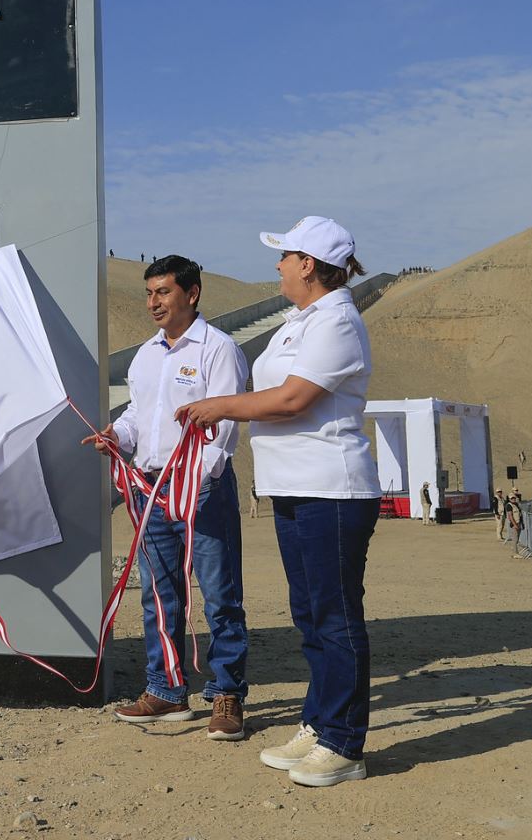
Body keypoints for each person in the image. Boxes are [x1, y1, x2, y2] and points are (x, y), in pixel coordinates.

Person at [178, 216, 378, 787]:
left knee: (336, 616)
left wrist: (221, 406)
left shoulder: (337, 319)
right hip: (292, 486)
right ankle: (319, 724)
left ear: (309, 264)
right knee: (309, 614)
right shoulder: (301, 321)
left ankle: (344, 743)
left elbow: (293, 399)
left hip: (330, 488)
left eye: (285, 256)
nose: (278, 265)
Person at [84, 255, 249, 740]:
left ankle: (226, 694)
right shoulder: (146, 355)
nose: (153, 303)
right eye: (150, 293)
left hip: (202, 491)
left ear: (191, 294)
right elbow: (140, 415)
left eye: (163, 293)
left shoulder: (218, 349)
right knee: (160, 596)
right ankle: (166, 691)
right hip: (150, 491)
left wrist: (194, 481)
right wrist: (118, 435)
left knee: (220, 597)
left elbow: (224, 425)